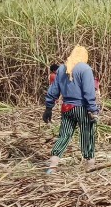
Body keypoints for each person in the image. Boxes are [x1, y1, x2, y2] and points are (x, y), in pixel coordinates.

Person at [43, 45, 100, 173]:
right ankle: (90, 165)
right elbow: (88, 92)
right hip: (82, 109)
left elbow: (54, 89)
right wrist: (93, 110)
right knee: (87, 134)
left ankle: (52, 165)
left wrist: (48, 107)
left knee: (64, 135)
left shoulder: (62, 68)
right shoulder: (85, 69)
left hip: (67, 108)